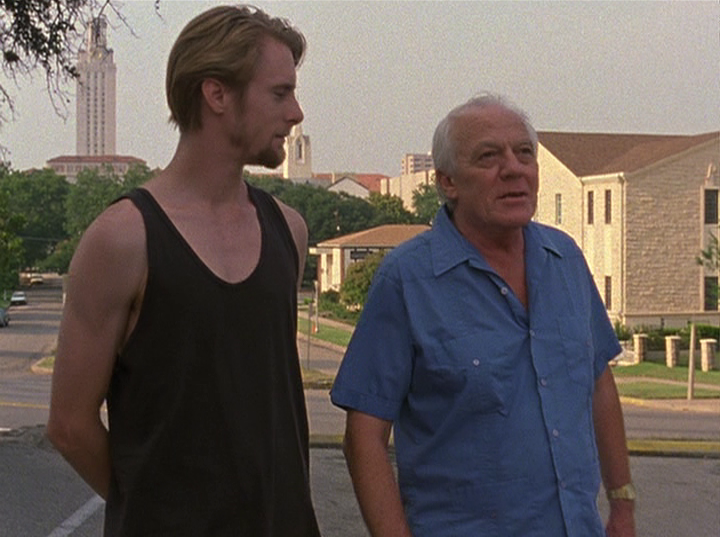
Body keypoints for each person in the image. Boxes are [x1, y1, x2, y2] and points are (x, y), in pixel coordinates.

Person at [47, 6, 321, 536]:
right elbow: (69, 426)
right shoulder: (123, 238)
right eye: (279, 93)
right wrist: (162, 511)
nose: (296, 113)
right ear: (216, 94)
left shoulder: (289, 230)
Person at [330, 93, 636, 537]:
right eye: (488, 157)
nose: (513, 168)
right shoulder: (408, 280)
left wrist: (622, 503)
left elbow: (597, 381)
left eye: (524, 153)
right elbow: (364, 437)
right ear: (448, 182)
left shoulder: (564, 258)